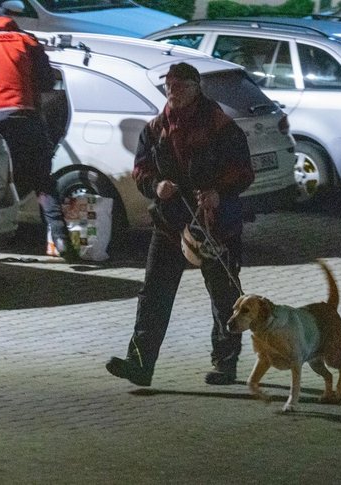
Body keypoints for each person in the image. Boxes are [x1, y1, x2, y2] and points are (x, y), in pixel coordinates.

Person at [106, 62, 254, 387]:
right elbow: (141, 170)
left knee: (224, 295)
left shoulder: (220, 124)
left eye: (179, 86)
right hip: (170, 225)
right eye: (169, 86)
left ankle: (225, 364)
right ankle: (140, 364)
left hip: (215, 224)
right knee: (154, 295)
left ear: (195, 88)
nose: (172, 92)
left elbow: (243, 170)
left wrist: (219, 192)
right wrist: (155, 186)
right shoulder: (156, 128)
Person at [0, 7, 77, 263]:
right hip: (28, 117)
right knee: (43, 181)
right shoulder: (28, 41)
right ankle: (62, 240)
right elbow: (47, 81)